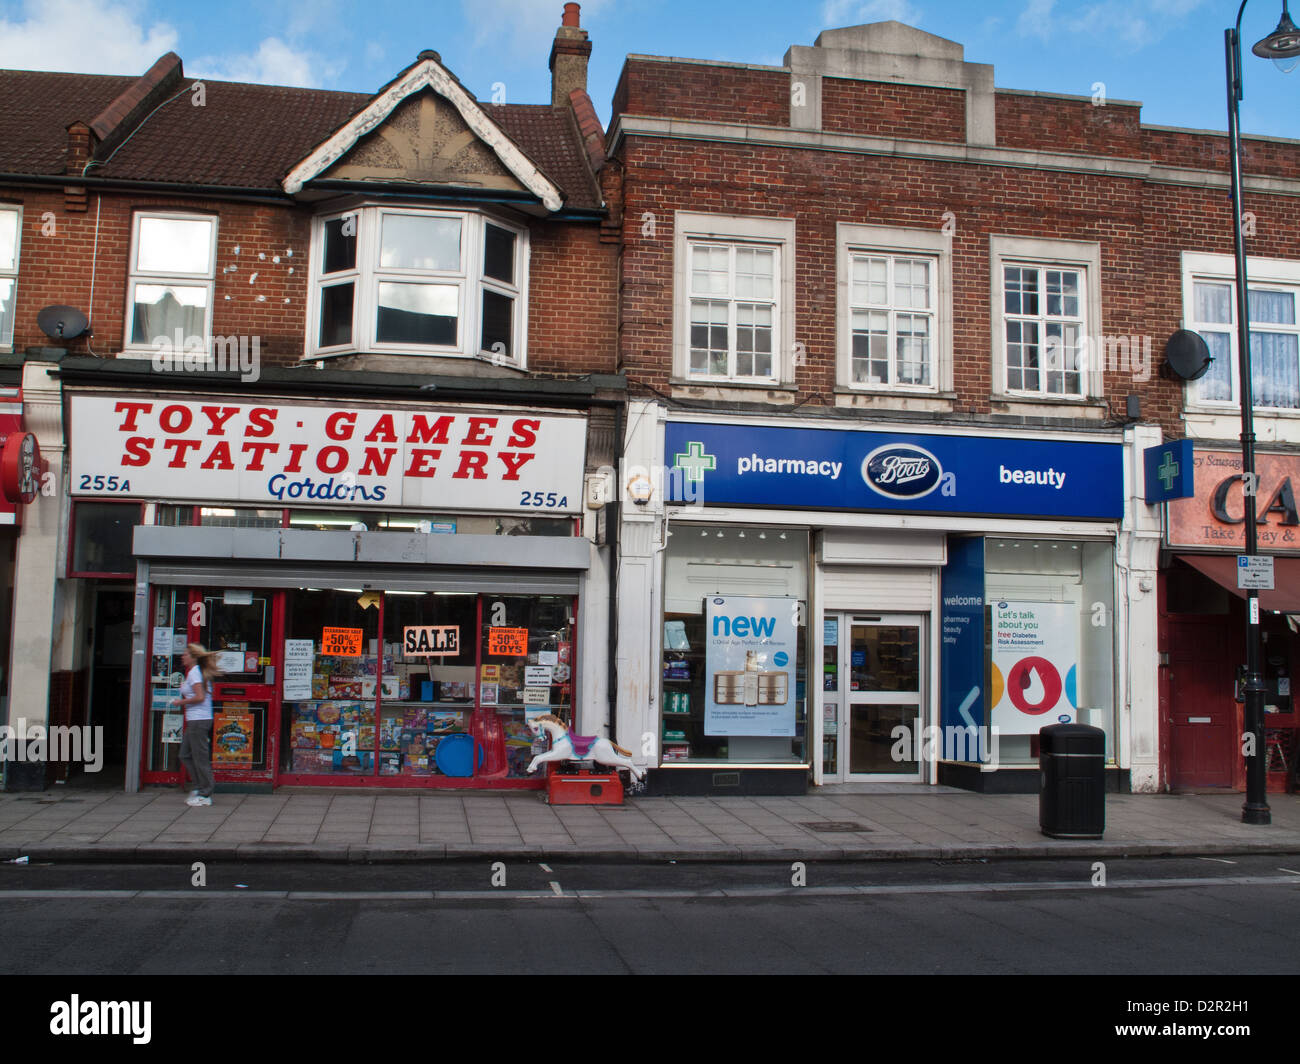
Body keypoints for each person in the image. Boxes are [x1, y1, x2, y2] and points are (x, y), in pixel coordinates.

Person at [176, 643, 221, 806]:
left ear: (193, 657)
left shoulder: (195, 673)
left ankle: (205, 793)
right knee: (185, 754)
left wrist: (181, 701)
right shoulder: (195, 672)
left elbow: (200, 697)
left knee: (199, 756)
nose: (182, 656)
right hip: (195, 720)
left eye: (185, 654)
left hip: (199, 720)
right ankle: (198, 786)